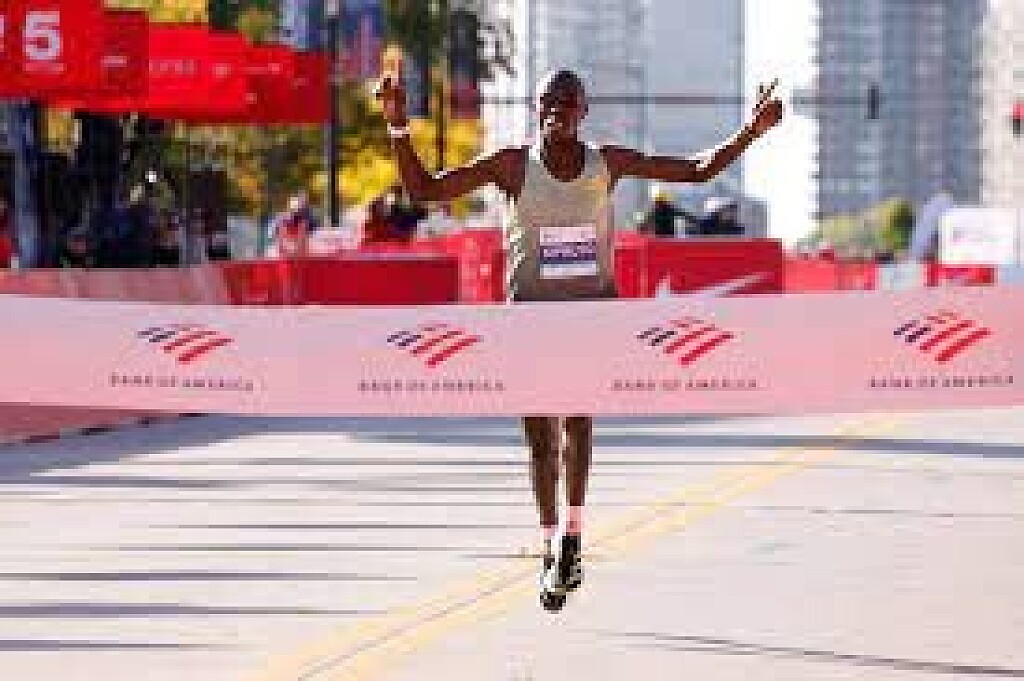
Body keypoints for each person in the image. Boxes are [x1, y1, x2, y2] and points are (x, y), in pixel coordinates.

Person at [375, 67, 782, 611]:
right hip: (530, 318)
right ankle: (549, 546)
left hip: (590, 316)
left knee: (578, 422)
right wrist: (398, 126)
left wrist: (750, 132)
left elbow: (695, 170)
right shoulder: (512, 165)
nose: (556, 109)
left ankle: (572, 537)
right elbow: (425, 190)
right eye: (548, 100)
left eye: (567, 102)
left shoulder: (606, 163)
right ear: (537, 108)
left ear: (583, 112)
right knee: (539, 439)